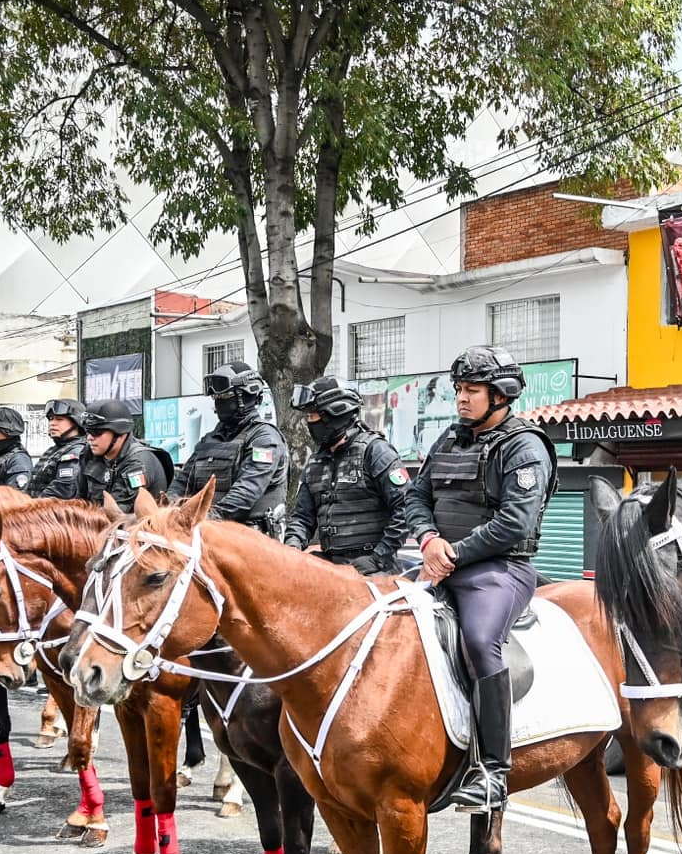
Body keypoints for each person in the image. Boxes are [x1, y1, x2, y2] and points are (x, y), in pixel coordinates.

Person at [397, 345, 555, 813]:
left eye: (472, 391)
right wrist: (428, 540)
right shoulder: (449, 438)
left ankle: (492, 770)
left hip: (500, 569)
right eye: (460, 390)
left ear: (500, 394)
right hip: (437, 561)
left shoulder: (524, 446)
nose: (462, 399)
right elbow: (415, 497)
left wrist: (454, 553)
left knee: (481, 640)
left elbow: (516, 522)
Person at [284, 377, 410, 574]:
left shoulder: (376, 452)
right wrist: (290, 549)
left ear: (334, 415)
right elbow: (302, 517)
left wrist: (378, 558)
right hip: (332, 568)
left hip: (374, 570)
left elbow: (405, 509)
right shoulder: (316, 462)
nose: (309, 423)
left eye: (313, 416)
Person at [166, 360, 287, 534]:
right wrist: (169, 510)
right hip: (205, 532)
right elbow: (182, 482)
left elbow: (246, 491)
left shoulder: (264, 438)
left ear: (244, 397)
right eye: (216, 398)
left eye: (224, 397)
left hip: (251, 537)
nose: (217, 403)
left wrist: (205, 519)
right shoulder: (209, 440)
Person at [79, 399, 171, 514]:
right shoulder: (89, 454)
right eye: (87, 431)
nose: (90, 438)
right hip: (94, 525)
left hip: (135, 528)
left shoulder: (138, 463)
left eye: (97, 432)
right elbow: (79, 498)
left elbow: (115, 515)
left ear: (120, 433)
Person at [28, 398, 92, 499]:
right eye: (51, 419)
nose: (52, 423)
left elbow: (62, 491)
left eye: (59, 419)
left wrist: (28, 506)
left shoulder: (77, 451)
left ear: (76, 422)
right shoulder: (54, 450)